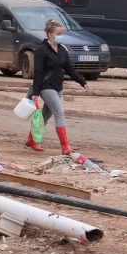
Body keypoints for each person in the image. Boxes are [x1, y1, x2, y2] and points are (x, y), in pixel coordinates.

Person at [25, 16, 89, 155]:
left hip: (58, 86)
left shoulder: (62, 50)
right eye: (58, 34)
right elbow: (39, 72)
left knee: (45, 115)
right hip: (45, 86)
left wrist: (82, 81)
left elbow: (69, 68)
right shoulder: (41, 50)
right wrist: (35, 92)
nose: (61, 36)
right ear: (49, 34)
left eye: (62, 34)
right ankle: (65, 146)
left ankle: (32, 140)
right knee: (59, 113)